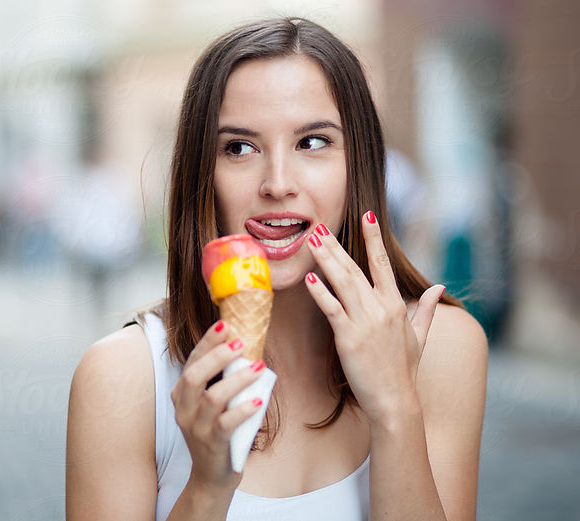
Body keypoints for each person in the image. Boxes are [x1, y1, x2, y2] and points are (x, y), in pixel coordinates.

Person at [66, 17, 487, 521]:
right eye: (239, 148)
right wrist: (207, 484)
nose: (278, 183)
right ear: (204, 175)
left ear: (362, 167)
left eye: (313, 142)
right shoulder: (124, 378)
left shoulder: (442, 346)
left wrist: (395, 410)